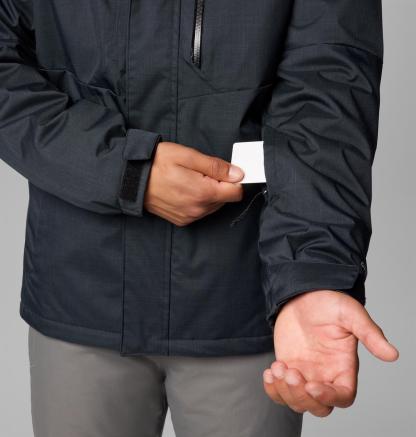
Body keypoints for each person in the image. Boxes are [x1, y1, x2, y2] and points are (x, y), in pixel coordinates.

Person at [0, 0, 399, 436]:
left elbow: (326, 95)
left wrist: (312, 273)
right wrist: (122, 171)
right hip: (81, 289)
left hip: (243, 296)